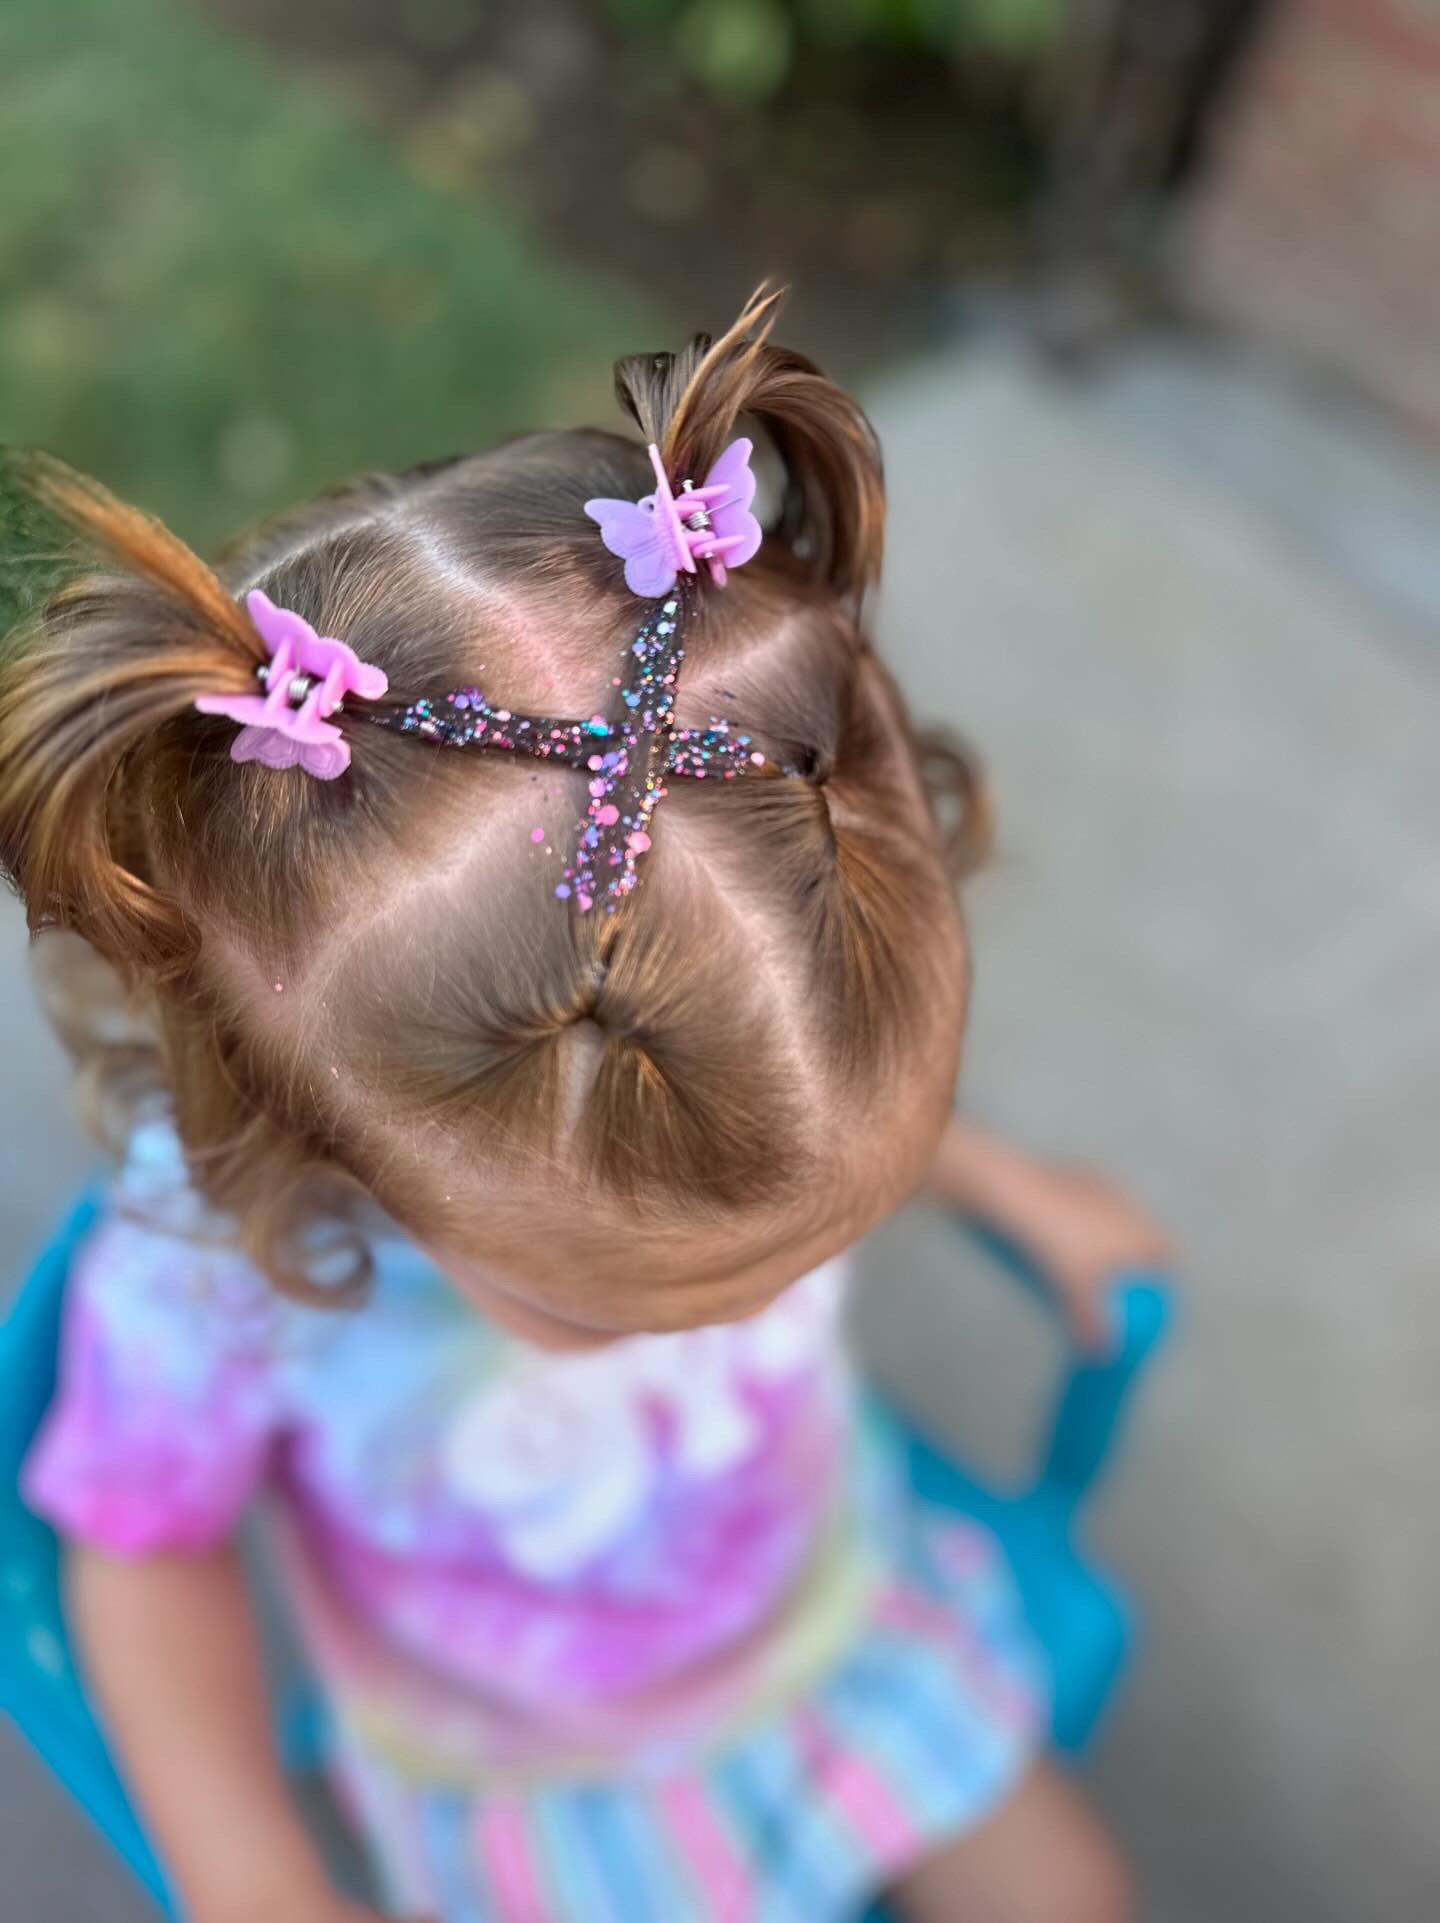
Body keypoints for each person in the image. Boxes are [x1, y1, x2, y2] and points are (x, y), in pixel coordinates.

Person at [0, 290, 1165, 1923]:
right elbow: (142, 1544)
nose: (741, 1311)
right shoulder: (224, 1263)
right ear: (325, 1147)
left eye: (795, 1250)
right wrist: (250, 1867)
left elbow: (783, 1134)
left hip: (832, 1607)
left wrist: (977, 1177)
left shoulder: (728, 1052)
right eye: (619, 1299)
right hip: (533, 1776)